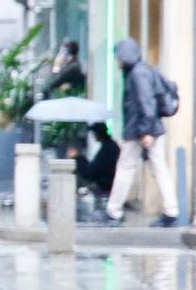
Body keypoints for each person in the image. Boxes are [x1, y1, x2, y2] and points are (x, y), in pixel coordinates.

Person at [104, 38, 179, 228]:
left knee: (126, 168)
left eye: (118, 57)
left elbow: (146, 104)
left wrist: (145, 132)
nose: (117, 61)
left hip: (141, 129)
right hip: (149, 128)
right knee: (159, 168)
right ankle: (171, 211)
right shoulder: (144, 70)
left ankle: (114, 211)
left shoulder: (137, 74)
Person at [70, 123, 120, 196]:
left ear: (99, 133)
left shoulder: (107, 149)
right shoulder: (110, 146)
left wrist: (77, 157)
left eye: (94, 133)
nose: (93, 135)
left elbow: (91, 172)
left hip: (105, 184)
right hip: (106, 182)